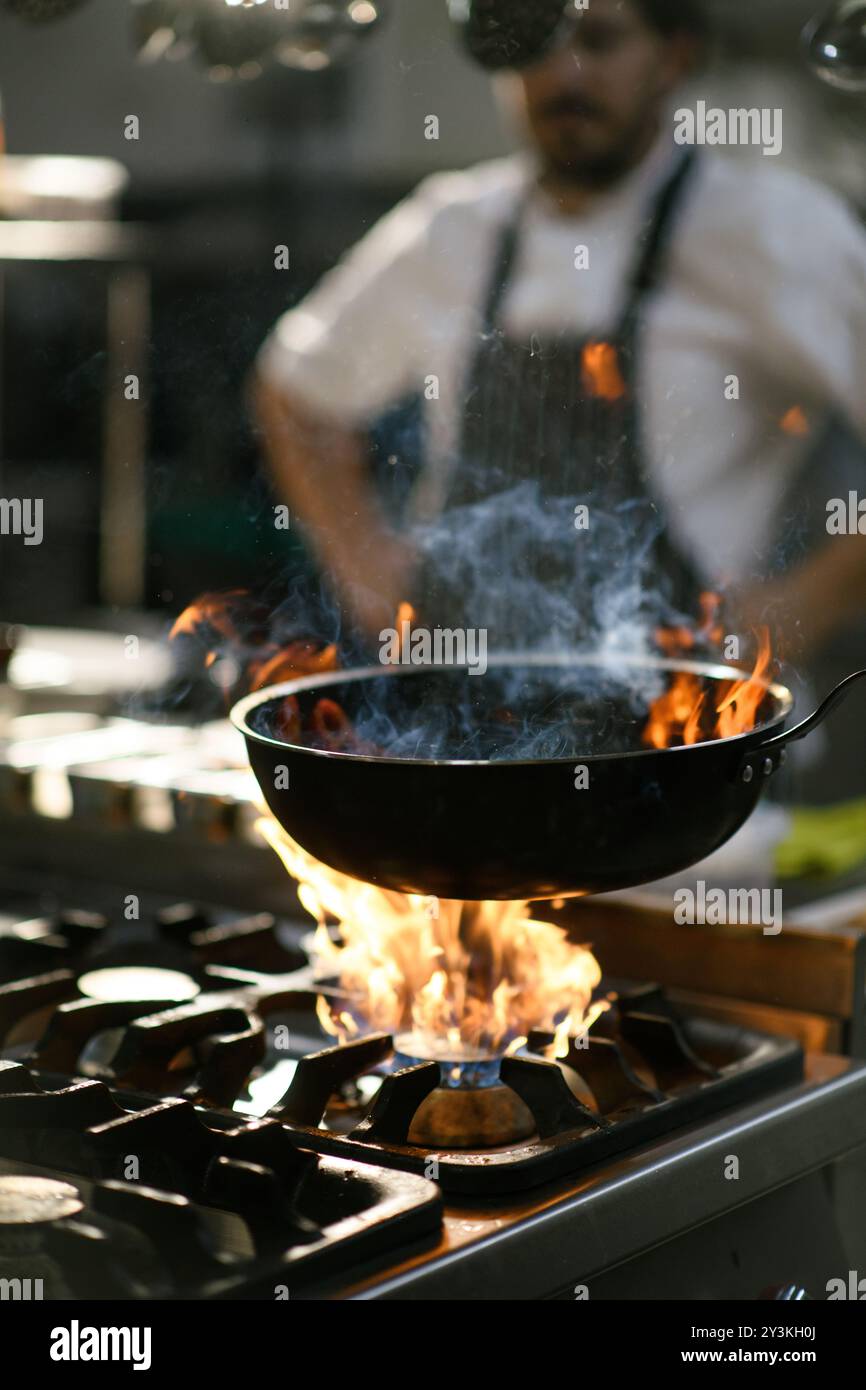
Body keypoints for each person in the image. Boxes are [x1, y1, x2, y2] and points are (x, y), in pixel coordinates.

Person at [252, 0, 866, 659]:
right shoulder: (449, 229)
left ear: (674, 57)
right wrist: (368, 571)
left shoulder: (774, 230)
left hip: (687, 727)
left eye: (600, 42)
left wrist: (800, 605)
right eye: (533, 43)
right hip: (465, 728)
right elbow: (295, 391)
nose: (566, 75)